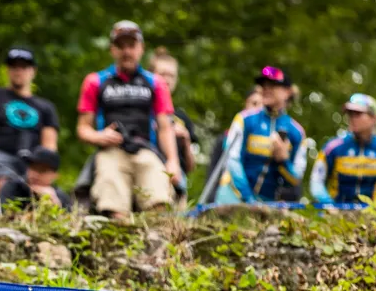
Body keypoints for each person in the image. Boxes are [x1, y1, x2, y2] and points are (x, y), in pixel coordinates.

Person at [76, 20, 181, 218]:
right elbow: (83, 128)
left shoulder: (155, 83)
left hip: (146, 151)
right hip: (110, 151)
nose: (126, 52)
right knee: (112, 200)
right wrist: (99, 137)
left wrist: (173, 162)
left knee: (160, 203)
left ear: (141, 48)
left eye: (131, 46)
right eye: (120, 46)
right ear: (112, 50)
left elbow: (165, 127)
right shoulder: (95, 82)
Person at [219, 66, 306, 203]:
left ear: (287, 92)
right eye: (263, 85)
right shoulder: (244, 119)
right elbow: (233, 160)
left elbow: (295, 179)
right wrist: (249, 199)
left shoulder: (296, 131)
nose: (266, 89)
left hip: (267, 202)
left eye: (273, 85)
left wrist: (283, 160)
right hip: (232, 195)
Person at [0, 46, 59, 193]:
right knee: (1, 177)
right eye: (14, 66)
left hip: (33, 162)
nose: (18, 71)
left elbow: (50, 146)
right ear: (7, 70)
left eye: (24, 67)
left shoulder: (45, 107)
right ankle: (1, 211)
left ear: (33, 71)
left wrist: (42, 170)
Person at [309, 94, 376, 204]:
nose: (352, 118)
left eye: (358, 114)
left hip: (371, 215)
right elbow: (316, 181)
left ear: (373, 118)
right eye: (350, 114)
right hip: (335, 213)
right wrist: (328, 204)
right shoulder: (332, 148)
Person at [148, 48, 197, 187]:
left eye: (172, 75)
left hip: (177, 181)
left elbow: (191, 167)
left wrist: (186, 139)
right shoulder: (142, 111)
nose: (167, 80)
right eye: (163, 74)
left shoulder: (182, 118)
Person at [207, 87, 263, 178]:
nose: (258, 109)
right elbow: (214, 171)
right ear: (245, 104)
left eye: (262, 105)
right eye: (254, 103)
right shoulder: (226, 138)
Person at [0, 145, 71, 211]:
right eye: (32, 168)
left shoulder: (62, 197)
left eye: (42, 170)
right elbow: (4, 214)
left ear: (55, 176)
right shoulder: (14, 187)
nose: (35, 174)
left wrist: (54, 202)